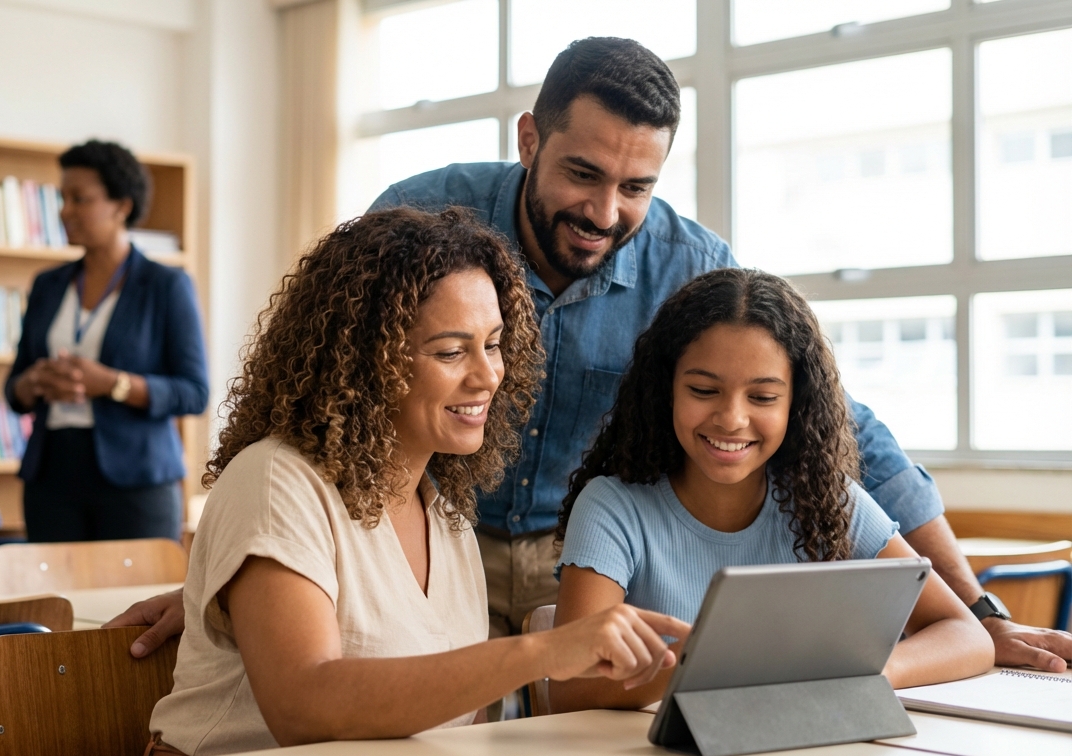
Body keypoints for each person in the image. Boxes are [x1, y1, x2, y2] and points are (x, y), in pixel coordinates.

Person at [111, 35, 1072, 671]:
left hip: (581, 559)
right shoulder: (425, 216)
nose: (605, 213)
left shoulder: (691, 265)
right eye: (583, 173)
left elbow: (845, 428)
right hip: (428, 547)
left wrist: (977, 611)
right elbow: (321, 388)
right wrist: (237, 568)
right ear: (529, 138)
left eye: (637, 186)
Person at [140, 207, 691, 756]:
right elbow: (302, 710)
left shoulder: (445, 514)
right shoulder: (276, 481)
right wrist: (539, 653)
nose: (488, 375)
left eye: (494, 344)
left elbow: (459, 727)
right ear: (365, 360)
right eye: (451, 351)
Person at [550, 269, 993, 711]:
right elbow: (571, 688)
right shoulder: (611, 508)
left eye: (762, 398)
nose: (731, 419)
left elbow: (967, 634)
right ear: (665, 389)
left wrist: (877, 670)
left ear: (795, 405)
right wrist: (720, 664)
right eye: (703, 390)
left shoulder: (827, 500)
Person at [5, 140, 208, 543]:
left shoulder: (165, 285)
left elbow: (193, 393)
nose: (65, 210)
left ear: (122, 206)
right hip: (52, 476)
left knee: (135, 603)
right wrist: (37, 381)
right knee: (59, 605)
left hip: (137, 479)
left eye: (79, 199)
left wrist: (111, 383)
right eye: (62, 197)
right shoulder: (47, 285)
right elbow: (15, 390)